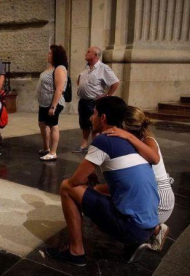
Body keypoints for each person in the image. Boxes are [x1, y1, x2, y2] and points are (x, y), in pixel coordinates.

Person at [45, 96, 159, 266]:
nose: (91, 117)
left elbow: (76, 181)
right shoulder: (129, 140)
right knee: (97, 189)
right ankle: (135, 240)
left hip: (132, 229)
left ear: (103, 118)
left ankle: (76, 252)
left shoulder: (104, 140)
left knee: (67, 187)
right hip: (149, 225)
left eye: (94, 113)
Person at [102, 106, 174, 251]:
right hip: (150, 193)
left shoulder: (148, 140)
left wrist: (128, 137)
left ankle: (155, 230)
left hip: (159, 199)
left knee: (105, 200)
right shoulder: (136, 140)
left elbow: (154, 158)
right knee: (102, 190)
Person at [73, 46, 119, 153]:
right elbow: (80, 81)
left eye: (88, 52)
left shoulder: (103, 68)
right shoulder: (86, 68)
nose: (86, 53)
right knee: (84, 123)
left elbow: (115, 82)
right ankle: (84, 144)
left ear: (95, 55)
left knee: (95, 124)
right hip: (83, 100)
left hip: (94, 101)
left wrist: (108, 95)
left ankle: (96, 146)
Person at [37, 45, 68, 161]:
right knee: (42, 124)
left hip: (53, 103)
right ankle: (46, 147)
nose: (48, 55)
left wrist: (53, 107)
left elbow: (59, 89)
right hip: (44, 102)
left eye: (50, 53)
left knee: (53, 126)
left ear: (56, 55)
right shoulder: (50, 67)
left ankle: (53, 152)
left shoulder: (60, 68)